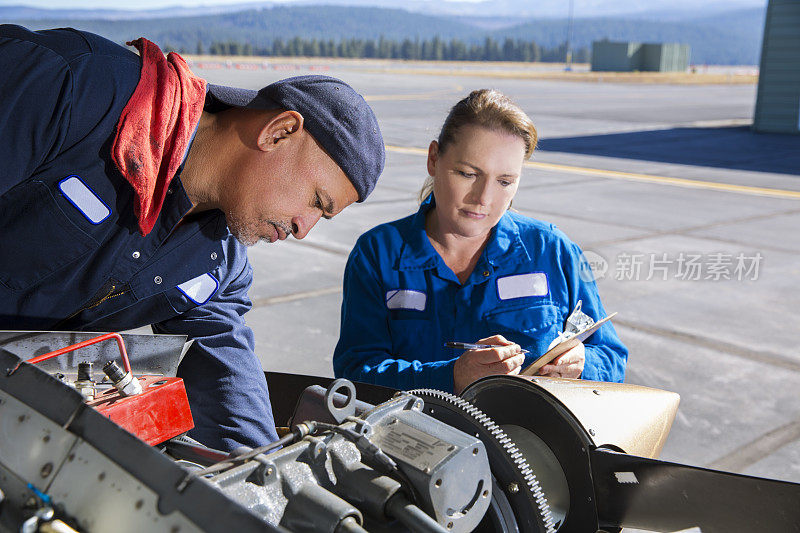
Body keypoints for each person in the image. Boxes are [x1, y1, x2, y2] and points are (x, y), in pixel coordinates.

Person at [0, 25, 385, 451]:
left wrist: (264, 484)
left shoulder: (219, 266)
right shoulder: (69, 83)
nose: (303, 229)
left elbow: (228, 381)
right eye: (316, 201)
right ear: (278, 132)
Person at [333, 89, 626, 394]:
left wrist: (582, 364)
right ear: (434, 159)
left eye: (504, 182)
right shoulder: (377, 254)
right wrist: (451, 376)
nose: (483, 199)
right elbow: (355, 371)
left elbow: (612, 358)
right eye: (468, 173)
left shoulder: (552, 250)